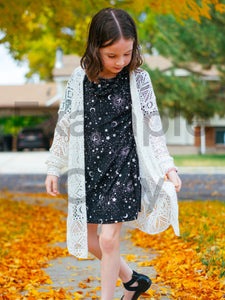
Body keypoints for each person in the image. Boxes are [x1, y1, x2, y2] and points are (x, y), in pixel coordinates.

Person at [45, 7, 182, 300]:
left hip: (123, 168)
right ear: (96, 49)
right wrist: (53, 167)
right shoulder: (78, 80)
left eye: (127, 53)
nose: (121, 61)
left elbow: (152, 126)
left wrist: (168, 166)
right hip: (90, 170)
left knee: (108, 240)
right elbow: (65, 125)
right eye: (112, 55)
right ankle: (133, 281)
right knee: (90, 238)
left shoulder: (139, 79)